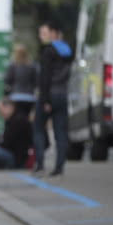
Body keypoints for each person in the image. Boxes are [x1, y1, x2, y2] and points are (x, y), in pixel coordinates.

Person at [33, 21, 72, 177]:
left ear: (53, 33)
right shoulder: (66, 51)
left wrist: (45, 100)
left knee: (38, 129)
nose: (41, 36)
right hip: (62, 93)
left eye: (44, 33)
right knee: (60, 132)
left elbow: (45, 77)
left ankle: (40, 163)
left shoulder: (48, 51)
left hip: (49, 94)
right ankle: (59, 166)